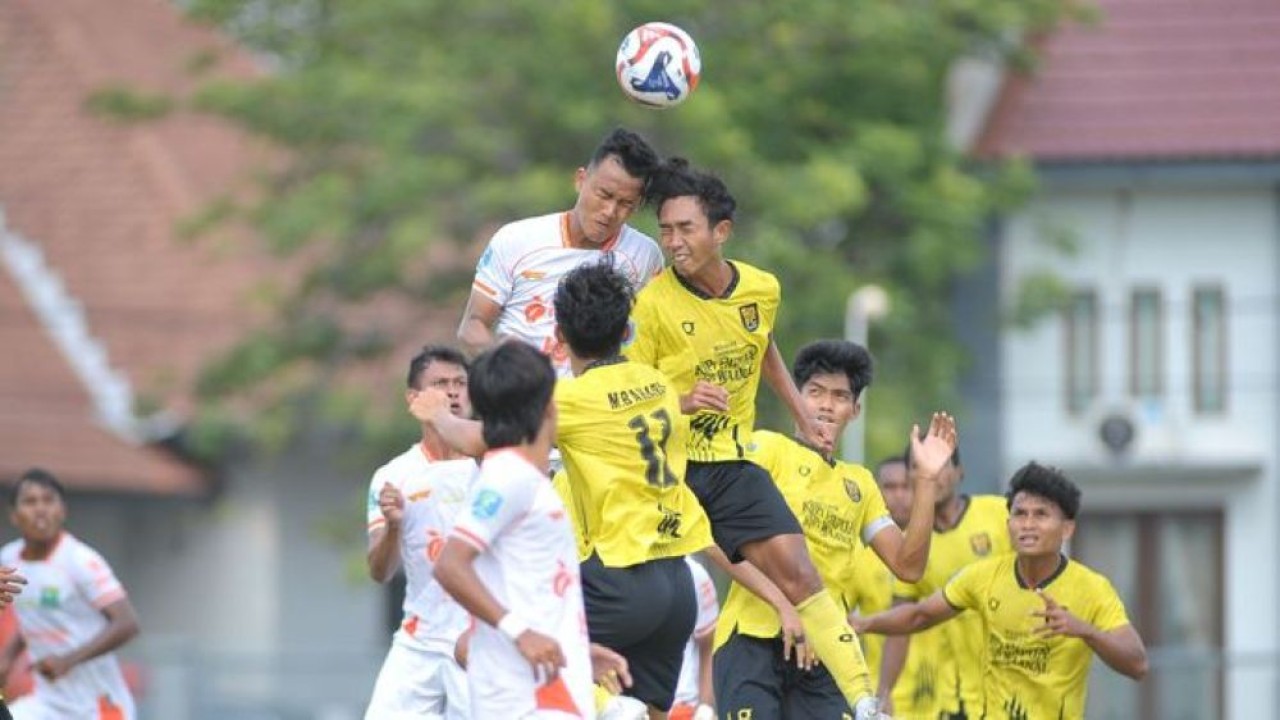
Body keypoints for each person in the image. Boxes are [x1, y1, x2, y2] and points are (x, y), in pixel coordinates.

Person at [624, 157, 908, 717]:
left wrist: (802, 413)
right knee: (656, 609)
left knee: (802, 573)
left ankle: (862, 700)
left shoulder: (761, 288)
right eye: (665, 229)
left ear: (720, 232)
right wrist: (682, 401)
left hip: (731, 464)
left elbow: (764, 347)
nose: (673, 242)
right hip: (669, 471)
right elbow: (627, 398)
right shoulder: (652, 304)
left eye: (685, 229)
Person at [424, 262, 715, 718]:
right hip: (678, 586)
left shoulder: (569, 400)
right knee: (651, 709)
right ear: (627, 331)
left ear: (559, 336)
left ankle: (609, 708)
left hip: (618, 577)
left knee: (471, 646)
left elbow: (481, 439)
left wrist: (437, 414)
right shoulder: (658, 385)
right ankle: (619, 708)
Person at [709, 340, 952, 719]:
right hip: (753, 642)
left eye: (840, 396)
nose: (825, 405)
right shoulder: (767, 449)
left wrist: (925, 480)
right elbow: (709, 539)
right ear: (795, 396)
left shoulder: (860, 484)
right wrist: (783, 605)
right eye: (815, 392)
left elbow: (909, 566)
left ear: (855, 410)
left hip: (824, 653)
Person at [853, 463, 1149, 719]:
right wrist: (864, 624)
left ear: (1067, 528)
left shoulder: (1091, 588)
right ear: (1008, 524)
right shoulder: (983, 577)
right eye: (1020, 514)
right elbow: (919, 615)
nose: (1028, 524)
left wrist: (1086, 631)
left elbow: (1137, 664)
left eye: (1041, 515)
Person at [432, 342, 596, 718]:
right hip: (526, 696)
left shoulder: (526, 479)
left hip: (553, 683)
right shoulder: (508, 477)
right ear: (549, 407)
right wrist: (520, 632)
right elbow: (450, 564)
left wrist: (578, 651)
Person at [459, 127, 665, 377]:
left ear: (638, 204)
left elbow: (655, 337)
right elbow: (472, 326)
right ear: (580, 180)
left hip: (598, 398)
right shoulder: (516, 239)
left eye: (625, 204)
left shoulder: (644, 256)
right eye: (604, 195)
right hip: (524, 396)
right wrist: (512, 374)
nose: (610, 211)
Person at [363, 346, 477, 719]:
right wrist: (394, 525)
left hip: (480, 637)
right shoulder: (393, 476)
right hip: (420, 637)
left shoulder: (492, 464)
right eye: (440, 384)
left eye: (460, 382)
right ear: (413, 399)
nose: (453, 392)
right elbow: (380, 572)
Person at [880, 444, 1012, 719]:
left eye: (940, 465)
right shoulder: (911, 545)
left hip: (1013, 683)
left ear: (959, 472)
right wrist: (885, 690)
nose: (932, 474)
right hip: (954, 695)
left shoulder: (1000, 514)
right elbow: (902, 623)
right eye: (919, 467)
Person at [0, 469, 138, 720]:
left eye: (48, 500)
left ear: (62, 510)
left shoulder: (80, 560)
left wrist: (68, 661)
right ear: (14, 515)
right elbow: (33, 616)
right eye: (30, 502)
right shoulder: (9, 559)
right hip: (47, 703)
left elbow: (127, 624)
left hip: (98, 704)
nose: (40, 509)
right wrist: (7, 658)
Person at [847, 457, 945, 719]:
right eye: (890, 487)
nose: (899, 495)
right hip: (881, 699)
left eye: (907, 487)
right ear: (877, 492)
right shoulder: (858, 556)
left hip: (939, 698)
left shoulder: (941, 548)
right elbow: (842, 623)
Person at [666, 556, 717, 720]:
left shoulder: (693, 573)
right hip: (628, 707)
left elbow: (709, 644)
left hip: (683, 708)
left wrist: (705, 707)